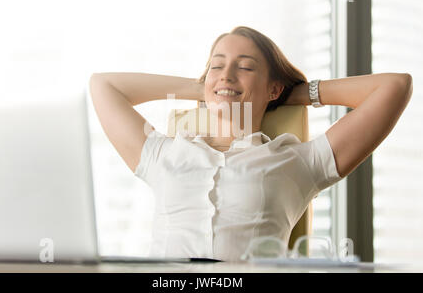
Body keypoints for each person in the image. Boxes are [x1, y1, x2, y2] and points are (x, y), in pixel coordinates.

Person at [89, 26, 413, 262]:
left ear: (272, 89)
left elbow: (395, 86)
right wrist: (207, 87)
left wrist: (292, 94)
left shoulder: (299, 163)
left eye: (244, 67)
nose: (227, 74)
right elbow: (103, 85)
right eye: (217, 65)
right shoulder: (163, 154)